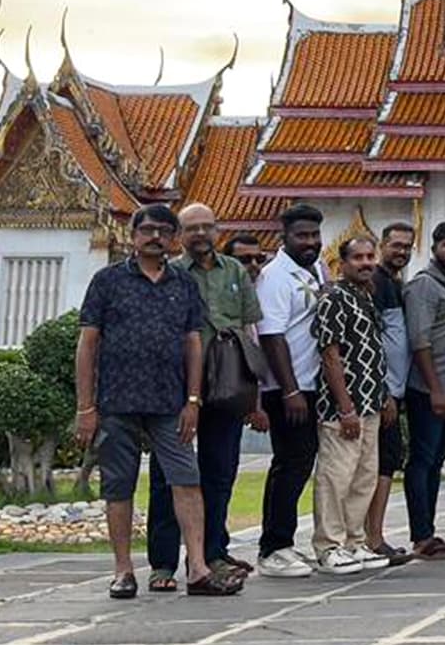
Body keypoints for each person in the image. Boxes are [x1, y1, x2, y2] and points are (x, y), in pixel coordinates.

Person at [73, 203, 235, 601]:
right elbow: (88, 343)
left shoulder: (183, 284)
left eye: (164, 231)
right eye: (147, 230)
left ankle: (196, 566)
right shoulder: (108, 281)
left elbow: (193, 343)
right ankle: (123, 570)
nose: (155, 238)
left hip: (170, 402)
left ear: (173, 238)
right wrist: (85, 406)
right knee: (119, 487)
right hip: (117, 400)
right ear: (133, 235)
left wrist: (194, 399)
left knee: (187, 479)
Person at [147, 201, 259, 592]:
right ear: (180, 234)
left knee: (220, 472)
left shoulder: (234, 273)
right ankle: (162, 563)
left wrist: (255, 394)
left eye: (206, 227)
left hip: (226, 383)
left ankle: (213, 552)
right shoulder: (171, 274)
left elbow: (249, 330)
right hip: (177, 386)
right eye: (191, 228)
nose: (200, 234)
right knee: (168, 477)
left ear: (217, 231)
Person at [254, 203, 329, 578]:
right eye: (302, 236)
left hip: (314, 383)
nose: (310, 242)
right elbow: (271, 335)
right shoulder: (275, 277)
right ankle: (272, 547)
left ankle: (286, 541)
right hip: (288, 387)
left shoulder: (316, 268)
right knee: (289, 464)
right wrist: (289, 390)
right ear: (284, 237)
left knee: (303, 463)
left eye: (315, 235)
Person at [313, 233, 396, 573]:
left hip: (370, 401)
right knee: (337, 476)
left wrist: (383, 394)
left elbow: (373, 351)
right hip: (342, 405)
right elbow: (330, 355)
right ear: (342, 263)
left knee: (364, 476)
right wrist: (345, 407)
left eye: (369, 257)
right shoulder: (334, 297)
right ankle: (328, 546)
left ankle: (354, 541)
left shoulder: (365, 295)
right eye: (358, 258)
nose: (366, 263)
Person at [402, 221, 445, 559]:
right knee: (422, 460)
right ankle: (421, 536)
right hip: (429, 389)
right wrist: (435, 389)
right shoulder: (424, 286)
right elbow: (419, 341)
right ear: (435, 248)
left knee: (436, 462)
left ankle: (429, 531)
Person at [365, 219, 417, 566]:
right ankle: (371, 538)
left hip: (397, 392)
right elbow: (371, 341)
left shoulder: (396, 284)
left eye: (407, 247)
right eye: (395, 245)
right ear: (383, 245)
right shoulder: (374, 284)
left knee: (387, 463)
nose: (401, 252)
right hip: (380, 393)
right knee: (376, 465)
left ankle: (373, 535)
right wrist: (384, 391)